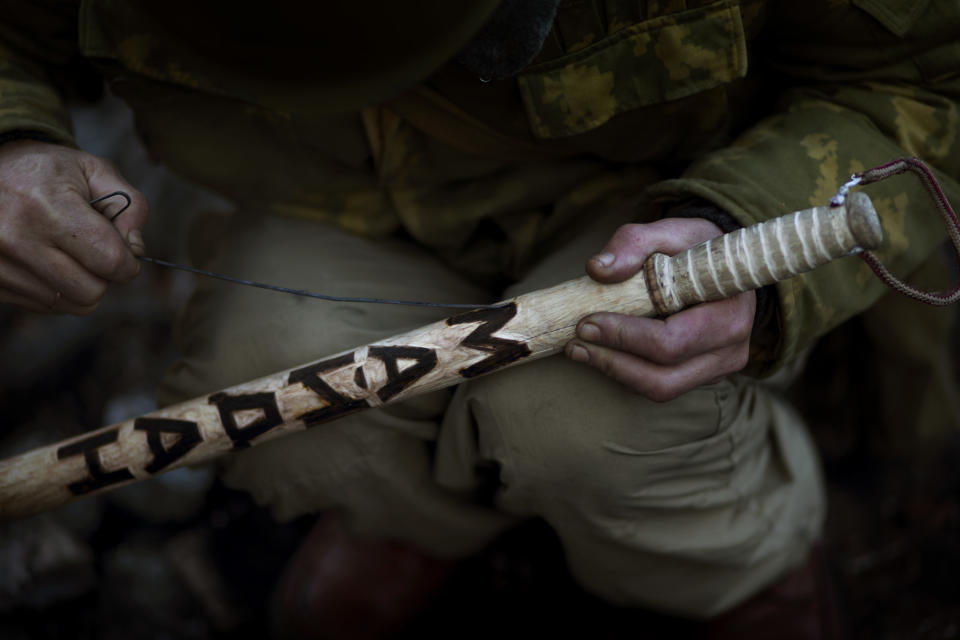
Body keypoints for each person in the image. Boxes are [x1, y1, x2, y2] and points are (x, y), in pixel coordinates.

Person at [1, 1, 958, 637]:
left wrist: (742, 235)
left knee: (586, 411)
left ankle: (739, 571)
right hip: (339, 216)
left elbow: (926, 81)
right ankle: (418, 520)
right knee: (260, 368)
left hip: (649, 200)